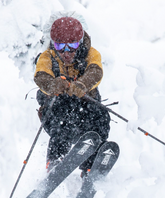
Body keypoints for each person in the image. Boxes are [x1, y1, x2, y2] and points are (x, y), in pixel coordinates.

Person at [34, 15, 110, 175]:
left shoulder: (91, 54)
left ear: (80, 43)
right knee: (62, 114)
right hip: (58, 116)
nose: (66, 52)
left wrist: (82, 85)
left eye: (72, 46)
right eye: (61, 46)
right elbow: (41, 76)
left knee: (101, 115)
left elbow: (95, 71)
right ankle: (55, 161)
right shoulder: (47, 57)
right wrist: (54, 85)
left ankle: (91, 165)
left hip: (86, 113)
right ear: (54, 44)